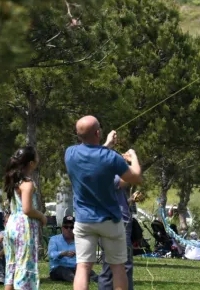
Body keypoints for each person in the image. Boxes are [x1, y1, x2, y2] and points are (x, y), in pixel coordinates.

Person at [65, 115, 142, 290]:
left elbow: (93, 156)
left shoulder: (70, 153)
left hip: (84, 220)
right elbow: (136, 177)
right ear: (98, 132)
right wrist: (133, 157)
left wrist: (107, 144)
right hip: (110, 220)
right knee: (118, 267)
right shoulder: (111, 157)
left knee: (83, 267)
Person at [3, 146, 47, 290]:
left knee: (11, 265)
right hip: (24, 228)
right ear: (31, 163)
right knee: (24, 266)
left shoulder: (14, 181)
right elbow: (27, 209)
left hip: (11, 225)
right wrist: (41, 216)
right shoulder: (27, 183)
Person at [99, 180, 138, 290]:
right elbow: (129, 177)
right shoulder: (111, 174)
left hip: (117, 223)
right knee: (123, 266)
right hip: (116, 224)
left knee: (112, 266)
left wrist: (130, 200)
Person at [49, 215, 98, 283]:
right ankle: (80, 280)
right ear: (62, 228)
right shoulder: (54, 239)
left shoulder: (80, 241)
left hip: (75, 267)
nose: (69, 229)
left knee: (89, 272)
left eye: (72, 227)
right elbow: (51, 255)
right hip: (58, 268)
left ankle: (93, 279)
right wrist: (62, 253)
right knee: (64, 271)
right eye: (66, 227)